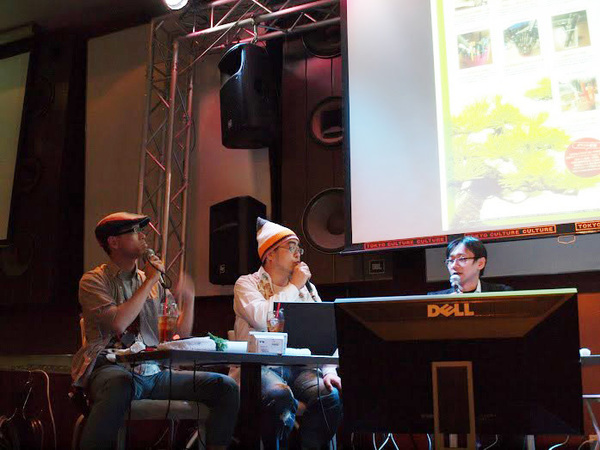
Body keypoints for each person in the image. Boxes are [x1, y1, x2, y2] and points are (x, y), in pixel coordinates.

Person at [71, 212, 239, 450]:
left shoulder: (152, 281)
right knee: (120, 384)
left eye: (142, 230)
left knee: (226, 387)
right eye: (134, 231)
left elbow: (176, 334)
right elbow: (118, 323)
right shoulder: (93, 281)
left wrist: (189, 299)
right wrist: (150, 281)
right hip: (110, 368)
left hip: (153, 371)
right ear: (113, 242)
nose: (143, 236)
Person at [231, 218, 342, 450]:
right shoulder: (246, 284)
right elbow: (263, 319)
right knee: (278, 395)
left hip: (300, 367)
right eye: (291, 247)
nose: (298, 253)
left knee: (329, 397)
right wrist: (294, 287)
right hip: (260, 368)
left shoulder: (307, 289)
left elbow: (325, 333)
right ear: (270, 254)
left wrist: (329, 370)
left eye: (299, 248)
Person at [429, 236, 512, 295]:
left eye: (462, 259)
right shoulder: (436, 299)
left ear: (480, 263)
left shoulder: (502, 293)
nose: (454, 266)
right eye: (451, 260)